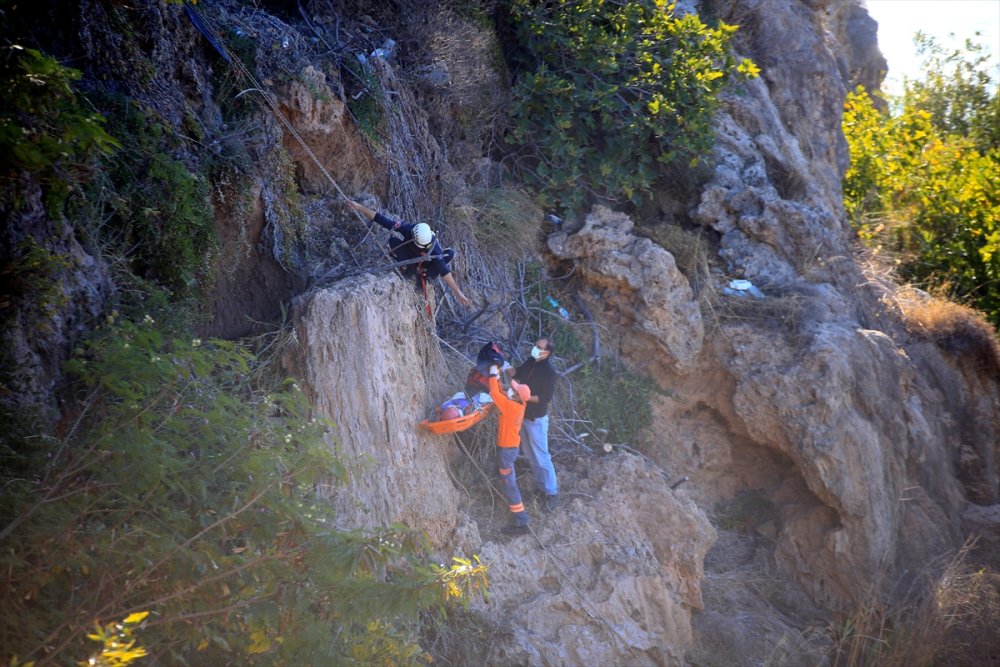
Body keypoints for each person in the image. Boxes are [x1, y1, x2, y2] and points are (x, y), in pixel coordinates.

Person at [346, 199, 471, 307]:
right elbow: (382, 220)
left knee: (449, 254)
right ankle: (410, 268)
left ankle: (424, 275)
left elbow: (444, 271)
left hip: (426, 262)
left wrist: (458, 292)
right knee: (392, 242)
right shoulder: (408, 229)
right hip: (410, 255)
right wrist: (360, 207)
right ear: (414, 238)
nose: (427, 246)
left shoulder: (434, 246)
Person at [510, 338, 559, 512]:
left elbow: (546, 398)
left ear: (547, 353)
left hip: (536, 420)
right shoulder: (531, 361)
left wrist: (526, 397)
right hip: (523, 415)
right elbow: (517, 373)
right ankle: (540, 489)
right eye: (535, 346)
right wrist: (503, 367)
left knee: (542, 456)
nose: (535, 349)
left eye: (539, 348)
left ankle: (552, 493)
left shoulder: (549, 372)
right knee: (531, 455)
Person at [488, 365, 532, 535]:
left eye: (513, 389)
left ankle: (521, 521)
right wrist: (497, 377)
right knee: (507, 481)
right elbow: (500, 394)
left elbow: (494, 394)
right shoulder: (517, 405)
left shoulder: (511, 407)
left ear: (516, 396)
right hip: (510, 448)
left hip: (507, 451)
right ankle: (517, 514)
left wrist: (493, 374)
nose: (510, 389)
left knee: (510, 486)